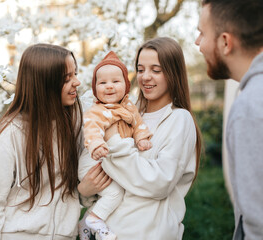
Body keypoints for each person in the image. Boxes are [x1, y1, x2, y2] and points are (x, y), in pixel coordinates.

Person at [78, 37, 202, 240]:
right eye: (141, 69)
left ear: (173, 73)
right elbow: (103, 176)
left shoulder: (179, 119)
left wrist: (113, 139)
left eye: (156, 70)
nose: (145, 77)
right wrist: (84, 191)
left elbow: (159, 183)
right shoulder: (128, 112)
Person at [0, 43, 90, 240]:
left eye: (75, 74)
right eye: (67, 78)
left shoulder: (75, 123)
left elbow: (79, 186)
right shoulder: (11, 133)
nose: (77, 82)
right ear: (45, 83)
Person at [195, 0, 263, 239]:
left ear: (225, 42)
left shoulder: (253, 106)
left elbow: (262, 226)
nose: (198, 43)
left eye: (202, 33)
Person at [79, 51, 152, 240]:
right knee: (115, 193)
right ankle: (95, 219)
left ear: (126, 85)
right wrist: (96, 145)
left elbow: (138, 125)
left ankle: (86, 221)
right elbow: (92, 130)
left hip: (109, 161)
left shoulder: (129, 109)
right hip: (93, 160)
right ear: (95, 89)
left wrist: (142, 138)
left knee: (117, 191)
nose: (109, 86)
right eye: (102, 83)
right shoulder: (96, 111)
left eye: (115, 82)